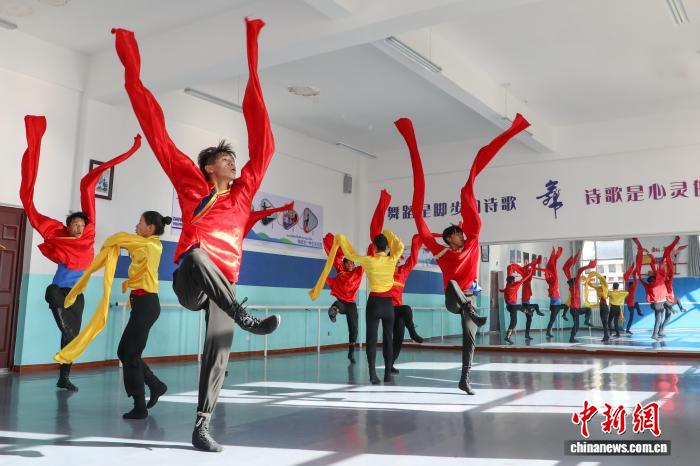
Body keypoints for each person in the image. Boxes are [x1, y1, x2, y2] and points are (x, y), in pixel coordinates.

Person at [114, 19, 283, 451]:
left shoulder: (244, 193)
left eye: (233, 160)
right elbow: (156, 129)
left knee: (218, 353)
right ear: (209, 166)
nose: (233, 164)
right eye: (226, 159)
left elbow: (264, 143)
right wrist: (131, 67)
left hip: (225, 284)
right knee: (194, 253)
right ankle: (243, 316)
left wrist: (253, 62)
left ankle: (201, 426)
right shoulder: (190, 183)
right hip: (192, 281)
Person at [396, 113, 530, 394]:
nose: (461, 233)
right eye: (457, 232)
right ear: (448, 237)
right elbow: (420, 222)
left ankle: (464, 379)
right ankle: (471, 311)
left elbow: (469, 205)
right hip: (453, 299)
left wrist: (468, 186)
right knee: (454, 286)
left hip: (469, 299)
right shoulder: (440, 249)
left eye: (461, 230)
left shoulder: (472, 241)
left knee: (471, 339)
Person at [19, 115, 140, 392]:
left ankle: (64, 377)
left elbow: (88, 187)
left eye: (81, 224)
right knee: (53, 296)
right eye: (74, 224)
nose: (78, 227)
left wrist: (129, 151)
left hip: (78, 295)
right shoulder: (61, 237)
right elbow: (34, 214)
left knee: (70, 338)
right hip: (60, 291)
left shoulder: (89, 236)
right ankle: (67, 332)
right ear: (68, 226)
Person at [55, 211, 172, 420]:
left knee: (130, 355)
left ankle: (140, 405)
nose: (136, 226)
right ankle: (155, 384)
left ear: (150, 228)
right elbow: (123, 241)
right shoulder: (144, 244)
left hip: (147, 305)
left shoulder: (150, 245)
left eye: (140, 222)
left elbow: (117, 238)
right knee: (124, 351)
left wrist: (111, 244)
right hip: (141, 304)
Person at [311, 229, 404, 385]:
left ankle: (373, 374)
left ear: (375, 247)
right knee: (389, 338)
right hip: (388, 304)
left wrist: (341, 239)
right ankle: (388, 374)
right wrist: (388, 233)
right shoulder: (392, 259)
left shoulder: (369, 260)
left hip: (374, 302)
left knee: (371, 339)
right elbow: (400, 245)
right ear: (387, 247)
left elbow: (351, 255)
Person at [318, 190, 391, 364]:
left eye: (352, 263)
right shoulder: (340, 268)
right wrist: (332, 242)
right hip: (341, 302)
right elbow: (334, 255)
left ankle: (351, 352)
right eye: (348, 263)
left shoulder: (359, 270)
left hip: (351, 303)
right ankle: (333, 311)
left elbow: (369, 259)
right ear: (344, 263)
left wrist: (373, 247)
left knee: (354, 328)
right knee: (338, 305)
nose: (350, 265)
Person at [389, 234, 425, 373]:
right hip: (387, 308)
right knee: (407, 309)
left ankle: (390, 365)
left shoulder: (403, 271)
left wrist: (417, 243)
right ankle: (413, 332)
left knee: (398, 337)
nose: (396, 261)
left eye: (397, 259)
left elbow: (413, 260)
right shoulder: (384, 272)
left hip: (398, 310)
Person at [563, 251, 597, 343]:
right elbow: (579, 271)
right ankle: (571, 338)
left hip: (576, 309)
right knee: (577, 325)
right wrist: (588, 266)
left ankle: (586, 321)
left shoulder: (571, 286)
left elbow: (566, 270)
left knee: (588, 309)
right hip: (574, 310)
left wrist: (586, 265)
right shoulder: (575, 286)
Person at [499, 267, 532, 344]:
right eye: (514, 280)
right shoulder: (515, 286)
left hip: (509, 307)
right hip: (513, 307)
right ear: (512, 281)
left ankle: (507, 337)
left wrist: (501, 290)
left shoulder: (508, 286)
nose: (515, 281)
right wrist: (530, 274)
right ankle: (528, 312)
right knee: (519, 308)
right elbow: (523, 280)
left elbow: (504, 290)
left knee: (514, 321)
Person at [543, 246, 567, 338]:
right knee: (552, 319)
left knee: (565, 307)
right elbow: (552, 273)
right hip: (555, 306)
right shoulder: (553, 284)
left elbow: (548, 276)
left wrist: (555, 255)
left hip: (555, 305)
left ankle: (564, 315)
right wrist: (555, 255)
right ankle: (548, 332)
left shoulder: (551, 283)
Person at [584, 272, 610, 342]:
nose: (601, 282)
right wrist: (587, 280)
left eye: (602, 281)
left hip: (604, 307)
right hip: (602, 307)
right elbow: (592, 285)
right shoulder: (598, 288)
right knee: (604, 323)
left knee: (605, 323)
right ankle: (606, 336)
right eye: (601, 281)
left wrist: (601, 278)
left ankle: (606, 336)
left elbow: (604, 295)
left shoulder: (606, 288)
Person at [622, 263, 642, 335]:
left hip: (631, 305)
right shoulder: (632, 289)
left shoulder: (628, 289)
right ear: (632, 285)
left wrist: (632, 267)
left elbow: (626, 277)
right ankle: (627, 330)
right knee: (631, 318)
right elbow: (635, 282)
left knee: (636, 304)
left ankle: (639, 312)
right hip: (631, 307)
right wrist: (634, 273)